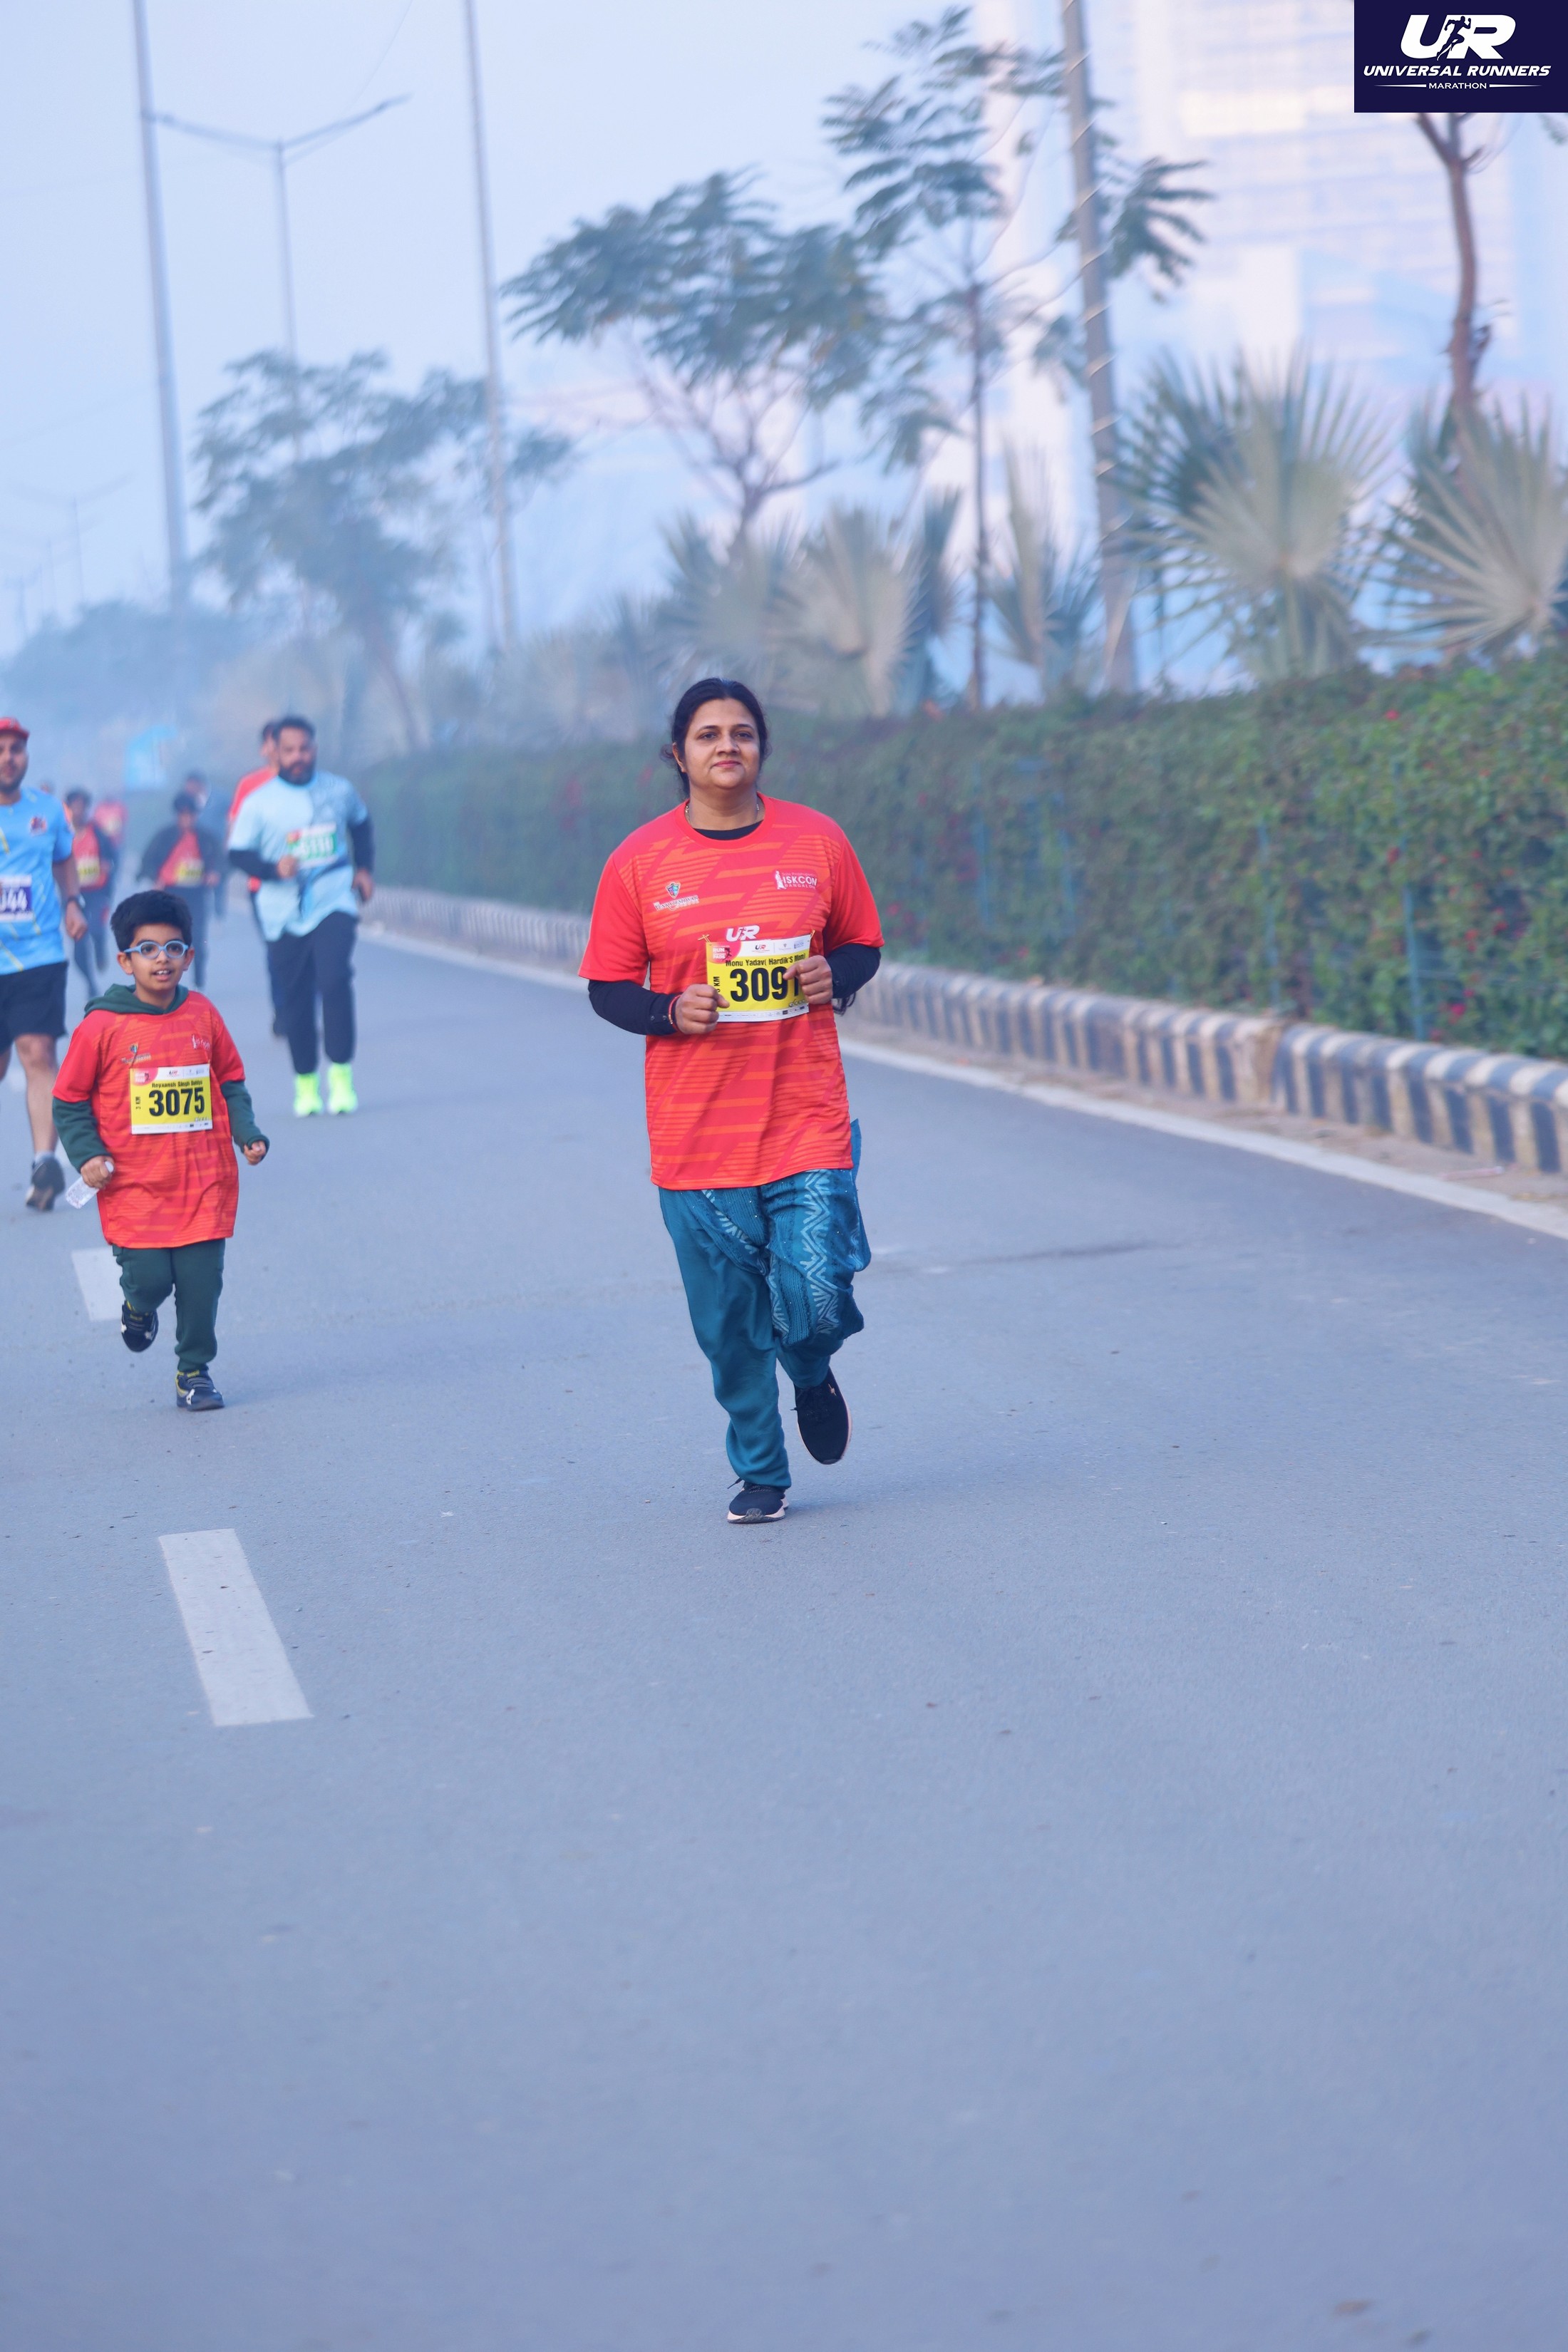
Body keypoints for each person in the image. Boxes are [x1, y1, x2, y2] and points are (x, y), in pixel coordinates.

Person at [582, 677, 883, 1525]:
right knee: (728, 1325)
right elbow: (607, 986)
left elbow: (861, 943)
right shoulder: (639, 861)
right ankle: (760, 1471)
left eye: (742, 733)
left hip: (804, 1117)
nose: (727, 746)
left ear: (762, 749)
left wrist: (834, 975)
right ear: (678, 756)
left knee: (815, 1294)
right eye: (708, 734)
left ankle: (811, 1368)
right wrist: (666, 1012)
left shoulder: (817, 841)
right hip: (696, 1136)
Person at [52, 887, 269, 1411]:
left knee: (201, 1285)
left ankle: (193, 1371)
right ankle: (137, 1306)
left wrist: (246, 1132)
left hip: (203, 1182)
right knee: (151, 1281)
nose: (162, 959)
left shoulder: (203, 1015)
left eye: (173, 948)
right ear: (126, 961)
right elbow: (68, 1099)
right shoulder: (102, 1026)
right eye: (147, 949)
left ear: (189, 957)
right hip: (134, 1187)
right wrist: (88, 1155)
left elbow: (230, 1078)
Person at [227, 715, 374, 1116]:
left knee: (335, 979)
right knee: (296, 998)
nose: (298, 757)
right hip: (282, 912)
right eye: (289, 750)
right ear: (275, 752)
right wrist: (273, 869)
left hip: (333, 899)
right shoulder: (259, 803)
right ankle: (306, 1084)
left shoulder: (338, 790)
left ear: (315, 748)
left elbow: (361, 825)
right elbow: (237, 853)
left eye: (304, 749)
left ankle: (341, 1077)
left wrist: (364, 869)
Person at [0, 714, 88, 1209]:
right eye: (0, 750)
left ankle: (44, 1163)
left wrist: (72, 902)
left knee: (38, 1053)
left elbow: (64, 858)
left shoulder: (48, 810)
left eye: (15, 749)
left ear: (26, 756)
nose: (7, 758)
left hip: (39, 954)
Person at [229, 719, 284, 1033]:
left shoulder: (316, 786)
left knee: (314, 953)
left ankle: (304, 1008)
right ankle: (283, 1009)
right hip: (264, 885)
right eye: (278, 742)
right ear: (266, 748)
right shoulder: (250, 787)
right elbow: (236, 838)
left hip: (308, 885)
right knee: (279, 949)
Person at [140, 790, 224, 990]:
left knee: (198, 937)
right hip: (171, 894)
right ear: (177, 815)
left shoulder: (205, 837)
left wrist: (215, 873)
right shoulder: (164, 836)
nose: (187, 819)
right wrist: (155, 878)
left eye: (191, 815)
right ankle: (169, 979)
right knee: (170, 938)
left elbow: (222, 860)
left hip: (197, 893)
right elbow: (147, 861)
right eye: (183, 815)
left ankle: (199, 976)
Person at [64, 788, 119, 997]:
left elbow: (114, 856)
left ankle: (100, 948)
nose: (79, 811)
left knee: (96, 928)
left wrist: (107, 865)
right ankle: (90, 982)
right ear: (69, 809)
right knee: (78, 948)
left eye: (82, 807)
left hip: (96, 893)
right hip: (73, 897)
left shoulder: (98, 833)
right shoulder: (63, 835)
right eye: (75, 807)